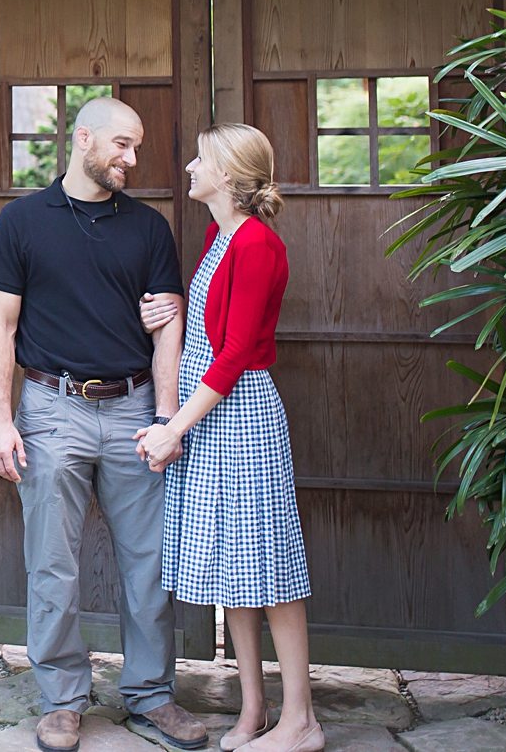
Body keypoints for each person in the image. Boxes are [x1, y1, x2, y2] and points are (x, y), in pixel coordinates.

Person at [0, 95, 210, 752]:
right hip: (52, 408)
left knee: (149, 562)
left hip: (136, 407)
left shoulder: (148, 228)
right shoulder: (21, 221)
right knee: (52, 563)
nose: (132, 159)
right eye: (121, 145)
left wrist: (167, 416)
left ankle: (150, 695)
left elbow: (170, 328)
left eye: (136, 147)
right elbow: (0, 326)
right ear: (83, 138)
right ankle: (61, 699)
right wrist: (2, 421)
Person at [136, 123, 321, 752]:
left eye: (201, 158)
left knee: (271, 569)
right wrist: (171, 316)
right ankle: (253, 712)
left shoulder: (258, 244)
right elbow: (214, 330)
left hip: (238, 417)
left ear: (230, 176)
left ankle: (302, 722)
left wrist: (171, 430)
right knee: (235, 570)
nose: (189, 166)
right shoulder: (220, 236)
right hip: (210, 412)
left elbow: (237, 352)